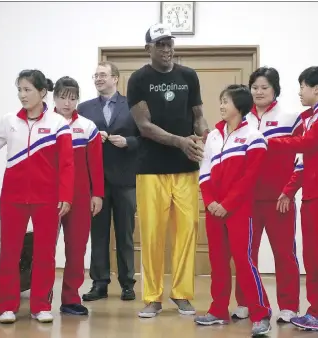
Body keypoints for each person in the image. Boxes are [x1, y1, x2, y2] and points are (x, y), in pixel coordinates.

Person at [0, 69, 74, 324]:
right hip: (13, 198)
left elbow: (66, 164)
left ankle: (41, 305)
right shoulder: (9, 121)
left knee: (44, 254)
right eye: (19, 89)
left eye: (27, 90)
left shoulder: (58, 124)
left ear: (42, 92)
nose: (22, 95)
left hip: (47, 199)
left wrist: (65, 195)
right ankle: (7, 305)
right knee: (8, 252)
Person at [128, 23, 210, 318]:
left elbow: (198, 116)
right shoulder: (138, 79)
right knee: (152, 235)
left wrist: (206, 139)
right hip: (151, 169)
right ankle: (152, 298)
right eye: (160, 44)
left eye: (169, 43)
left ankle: (182, 294)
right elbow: (143, 126)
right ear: (147, 48)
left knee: (187, 231)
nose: (166, 49)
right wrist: (180, 142)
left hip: (186, 169)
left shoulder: (188, 76)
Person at [268, 66, 318, 335]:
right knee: (312, 256)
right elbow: (303, 163)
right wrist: (289, 190)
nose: (300, 91)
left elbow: (307, 143)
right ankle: (317, 312)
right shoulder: (309, 118)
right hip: (312, 196)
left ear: (316, 88)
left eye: (302, 86)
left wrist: (268, 141)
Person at [195, 84, 272, 336]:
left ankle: (261, 313)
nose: (221, 106)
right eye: (221, 101)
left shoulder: (254, 137)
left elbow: (249, 178)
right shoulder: (214, 136)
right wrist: (210, 202)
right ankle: (218, 310)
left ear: (239, 105)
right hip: (214, 210)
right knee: (217, 263)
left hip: (239, 211)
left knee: (243, 261)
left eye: (225, 101)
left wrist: (226, 204)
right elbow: (204, 172)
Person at [232, 67, 302, 323]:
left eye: (264, 87)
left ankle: (289, 306)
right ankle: (246, 302)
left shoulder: (291, 118)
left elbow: (304, 158)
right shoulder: (241, 119)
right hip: (247, 200)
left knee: (284, 253)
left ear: (275, 90)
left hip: (279, 199)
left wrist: (289, 189)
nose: (259, 92)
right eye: (255, 87)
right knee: (245, 253)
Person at [78, 61, 139, 302]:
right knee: (99, 233)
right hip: (95, 183)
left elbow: (144, 139)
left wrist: (128, 142)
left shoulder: (132, 106)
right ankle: (99, 282)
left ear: (115, 78)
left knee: (125, 234)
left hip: (125, 180)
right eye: (95, 75)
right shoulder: (84, 109)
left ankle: (127, 283)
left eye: (103, 75)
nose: (98, 79)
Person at [52, 76, 104, 315]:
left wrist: (98, 194)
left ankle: (70, 298)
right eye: (63, 97)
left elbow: (95, 164)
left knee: (77, 249)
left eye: (73, 98)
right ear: (54, 97)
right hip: (49, 196)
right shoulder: (45, 123)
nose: (67, 103)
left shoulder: (87, 126)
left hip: (81, 197)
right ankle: (42, 299)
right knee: (45, 249)